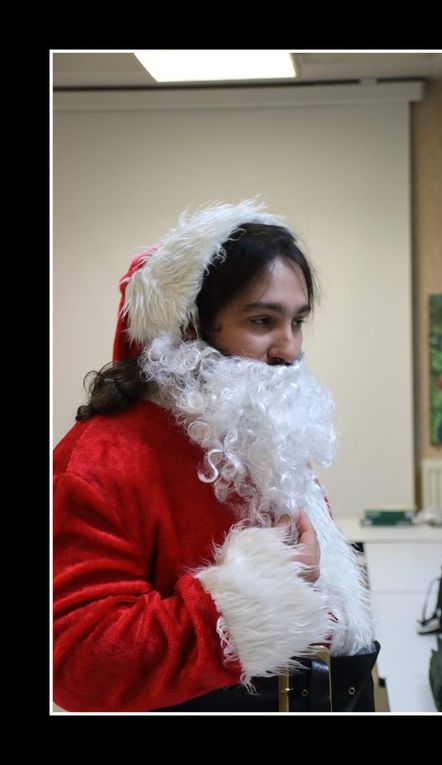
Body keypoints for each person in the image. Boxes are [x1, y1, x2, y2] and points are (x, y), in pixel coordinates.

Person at [53, 198, 379, 713]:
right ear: (190, 327)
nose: (289, 348)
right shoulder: (101, 460)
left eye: (297, 322)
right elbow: (79, 663)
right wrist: (258, 594)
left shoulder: (252, 427)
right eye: (262, 320)